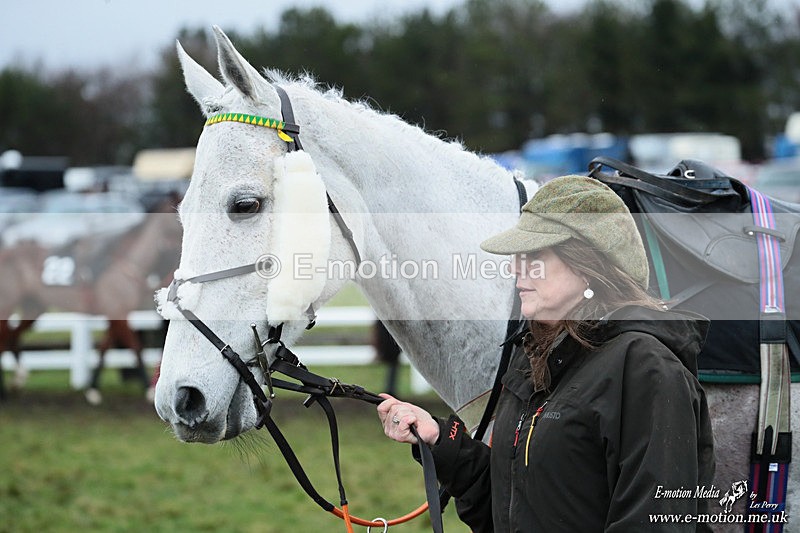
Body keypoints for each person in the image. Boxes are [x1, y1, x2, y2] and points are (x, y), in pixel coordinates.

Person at [377, 176, 715, 532]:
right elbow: (516, 505)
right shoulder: (535, 354)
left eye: (534, 256)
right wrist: (439, 441)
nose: (515, 269)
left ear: (587, 267)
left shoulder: (646, 370)